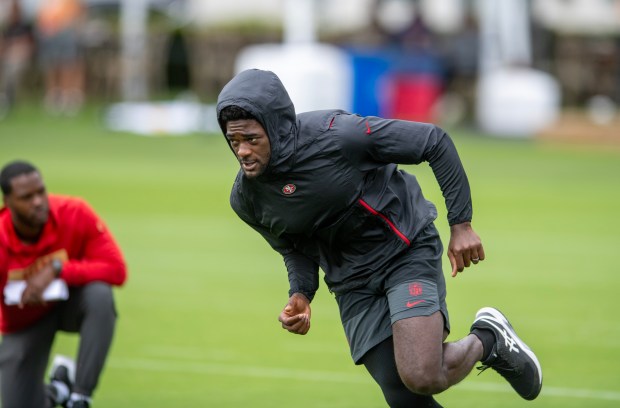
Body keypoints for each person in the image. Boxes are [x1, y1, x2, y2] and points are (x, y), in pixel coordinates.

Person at [216, 69, 542, 407]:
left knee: (422, 375)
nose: (242, 151)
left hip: (403, 250)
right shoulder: (246, 199)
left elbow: (434, 141)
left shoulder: (339, 137)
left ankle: (488, 338)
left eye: (251, 139)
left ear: (276, 128)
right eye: (233, 141)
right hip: (351, 282)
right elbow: (295, 246)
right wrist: (301, 294)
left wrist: (461, 224)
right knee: (403, 397)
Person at [0, 160, 127, 408]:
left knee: (100, 295)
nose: (38, 201)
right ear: (8, 203)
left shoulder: (74, 212)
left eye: (40, 191)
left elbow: (116, 270)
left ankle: (80, 396)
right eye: (27, 197)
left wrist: (58, 269)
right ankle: (58, 389)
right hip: (24, 320)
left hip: (69, 304)